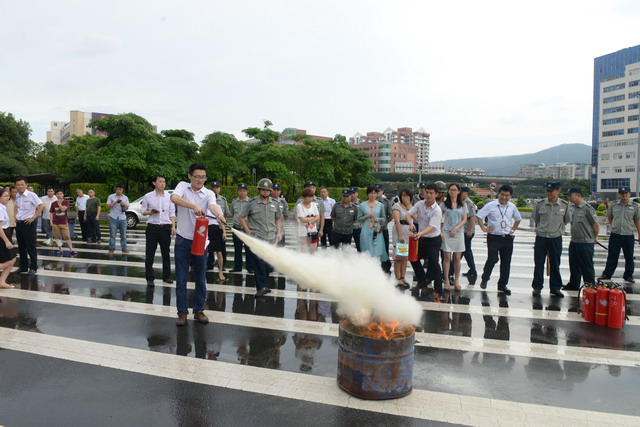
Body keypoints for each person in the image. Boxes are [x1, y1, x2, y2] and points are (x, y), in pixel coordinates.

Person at [171, 163, 226, 326]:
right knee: (181, 279)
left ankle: (199, 310)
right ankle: (182, 313)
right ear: (190, 176)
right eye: (197, 177)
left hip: (201, 241)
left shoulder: (208, 193)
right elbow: (174, 198)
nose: (200, 180)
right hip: (182, 240)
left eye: (203, 177)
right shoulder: (182, 186)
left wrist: (219, 215)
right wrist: (193, 206)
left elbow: (212, 205)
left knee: (201, 278)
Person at [238, 178, 283, 298]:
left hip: (271, 237)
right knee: (259, 263)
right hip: (257, 237)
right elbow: (241, 217)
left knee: (268, 264)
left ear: (270, 191)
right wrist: (248, 231)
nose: (265, 192)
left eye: (267, 190)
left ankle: (265, 286)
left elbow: (278, 219)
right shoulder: (251, 203)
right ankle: (261, 287)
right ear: (259, 190)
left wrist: (279, 232)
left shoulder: (275, 203)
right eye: (263, 190)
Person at [476, 184, 522, 295]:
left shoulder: (512, 206)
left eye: (507, 195)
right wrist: (484, 228)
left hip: (507, 238)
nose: (504, 197)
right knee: (492, 259)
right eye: (502, 194)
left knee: (506, 262)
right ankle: (485, 278)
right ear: (498, 194)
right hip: (493, 237)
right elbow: (479, 216)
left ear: (510, 196)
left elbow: (518, 219)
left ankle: (502, 284)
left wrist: (512, 230)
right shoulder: (491, 205)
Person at [531, 181, 571, 297]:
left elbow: (566, 220)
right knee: (539, 263)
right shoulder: (540, 204)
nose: (549, 193)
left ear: (558, 191)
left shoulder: (564, 205)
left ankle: (555, 287)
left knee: (555, 263)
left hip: (555, 238)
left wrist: (557, 229)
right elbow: (536, 219)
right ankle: (537, 287)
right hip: (541, 237)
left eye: (551, 191)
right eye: (547, 191)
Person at [406, 183, 443, 299]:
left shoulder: (437, 210)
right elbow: (408, 214)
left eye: (431, 193)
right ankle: (422, 281)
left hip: (433, 239)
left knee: (434, 263)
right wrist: (411, 224)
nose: (429, 195)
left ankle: (438, 289)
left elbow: (432, 227)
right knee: (413, 258)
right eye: (427, 192)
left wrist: (420, 233)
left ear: (436, 194)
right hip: (421, 239)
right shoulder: (419, 204)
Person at [600, 186, 640, 283]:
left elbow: (637, 221)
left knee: (629, 256)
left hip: (628, 235)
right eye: (622, 193)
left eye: (626, 193)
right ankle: (607, 274)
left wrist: (639, 234)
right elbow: (610, 217)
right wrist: (615, 226)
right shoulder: (613, 205)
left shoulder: (635, 206)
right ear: (619, 195)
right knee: (612, 255)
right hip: (615, 234)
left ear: (629, 194)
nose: (624, 195)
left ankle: (628, 275)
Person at [142, 175, 176, 287]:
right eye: (160, 181)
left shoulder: (169, 197)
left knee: (166, 253)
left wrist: (173, 226)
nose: (162, 184)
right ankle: (150, 278)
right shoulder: (148, 196)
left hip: (165, 227)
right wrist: (150, 212)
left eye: (164, 182)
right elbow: (143, 211)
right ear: (154, 183)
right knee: (150, 253)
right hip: (152, 227)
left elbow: (172, 213)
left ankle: (166, 276)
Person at [563, 187, 599, 291]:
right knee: (574, 265)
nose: (569, 198)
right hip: (574, 241)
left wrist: (594, 238)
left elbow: (596, 225)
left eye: (570, 195)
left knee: (586, 266)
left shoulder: (588, 208)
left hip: (585, 242)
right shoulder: (573, 208)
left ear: (578, 195)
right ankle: (574, 284)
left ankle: (590, 286)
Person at [440, 183, 468, 291]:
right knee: (447, 258)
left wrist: (456, 228)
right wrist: (440, 231)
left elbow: (464, 219)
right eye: (451, 189)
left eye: (455, 190)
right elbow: (439, 217)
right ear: (448, 191)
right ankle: (446, 280)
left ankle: (456, 280)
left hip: (458, 233)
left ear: (459, 192)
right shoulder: (444, 205)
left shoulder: (463, 205)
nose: (453, 192)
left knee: (457, 258)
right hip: (446, 232)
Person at [14, 177, 44, 275]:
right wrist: (15, 217)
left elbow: (42, 205)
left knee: (30, 246)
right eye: (18, 185)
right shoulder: (17, 195)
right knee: (21, 246)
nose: (20, 186)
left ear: (26, 185)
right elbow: (16, 206)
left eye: (22, 184)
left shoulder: (31, 195)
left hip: (28, 224)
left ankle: (33, 267)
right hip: (19, 223)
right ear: (15, 186)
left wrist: (34, 217)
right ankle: (23, 267)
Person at [357, 185, 389, 268]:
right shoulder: (362, 205)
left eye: (374, 193)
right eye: (370, 193)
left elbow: (384, 218)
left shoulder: (380, 205)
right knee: (366, 250)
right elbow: (359, 219)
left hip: (376, 230)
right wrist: (367, 216)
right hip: (366, 229)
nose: (372, 195)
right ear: (367, 194)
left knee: (377, 249)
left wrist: (379, 219)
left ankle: (376, 269)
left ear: (377, 194)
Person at [206, 181, 228, 280]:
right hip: (207, 230)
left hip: (216, 229)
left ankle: (220, 271)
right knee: (206, 252)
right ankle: (202, 270)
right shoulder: (204, 207)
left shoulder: (218, 207)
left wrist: (224, 232)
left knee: (219, 252)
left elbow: (222, 221)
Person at [392, 188, 413, 289]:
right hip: (399, 231)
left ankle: (403, 276)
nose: (406, 197)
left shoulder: (411, 207)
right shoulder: (397, 206)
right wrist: (400, 235)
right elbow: (397, 220)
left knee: (405, 257)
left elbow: (415, 216)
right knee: (399, 257)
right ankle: (398, 277)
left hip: (408, 232)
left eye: (407, 195)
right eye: (404, 195)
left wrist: (409, 206)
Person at [230, 184, 254, 273]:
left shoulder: (251, 202)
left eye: (244, 190)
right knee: (237, 249)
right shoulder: (234, 202)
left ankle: (250, 267)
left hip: (247, 229)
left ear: (247, 192)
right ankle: (237, 267)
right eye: (240, 190)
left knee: (249, 249)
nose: (242, 192)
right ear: (237, 191)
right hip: (236, 227)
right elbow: (232, 213)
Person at [50, 190, 77, 256]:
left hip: (64, 222)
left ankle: (71, 249)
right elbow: (51, 212)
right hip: (55, 223)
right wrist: (51, 221)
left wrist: (59, 203)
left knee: (67, 236)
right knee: (57, 237)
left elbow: (63, 209)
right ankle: (60, 249)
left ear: (63, 195)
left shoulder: (66, 202)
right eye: (58, 194)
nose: (59, 195)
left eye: (60, 194)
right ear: (56, 195)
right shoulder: (53, 203)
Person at [106, 183, 130, 255]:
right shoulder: (111, 196)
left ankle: (124, 248)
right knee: (112, 235)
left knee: (123, 235)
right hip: (113, 217)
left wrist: (123, 203)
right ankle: (111, 249)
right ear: (115, 189)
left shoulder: (125, 198)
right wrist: (115, 202)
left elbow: (127, 207)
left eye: (120, 189)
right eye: (117, 189)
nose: (118, 191)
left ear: (122, 190)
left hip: (123, 218)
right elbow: (107, 206)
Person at [461, 186, 478, 283]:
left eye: (462, 192)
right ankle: (472, 270)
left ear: (466, 193)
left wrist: (470, 230)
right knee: (465, 251)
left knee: (465, 251)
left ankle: (473, 270)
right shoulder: (462, 203)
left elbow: (472, 217)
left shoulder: (469, 203)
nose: (460, 194)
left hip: (467, 231)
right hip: (463, 231)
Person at [0, 189, 16, 288]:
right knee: (11, 259)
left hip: (4, 233)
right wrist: (6, 241)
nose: (8, 198)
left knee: (12, 259)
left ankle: (1, 282)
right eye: (5, 196)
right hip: (2, 235)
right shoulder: (0, 208)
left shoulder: (2, 207)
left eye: (8, 196)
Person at [375, 184, 393, 274]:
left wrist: (384, 223)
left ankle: (385, 269)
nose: (377, 193)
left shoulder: (386, 202)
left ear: (382, 191)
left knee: (384, 250)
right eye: (375, 191)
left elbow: (391, 215)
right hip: (371, 229)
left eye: (379, 191)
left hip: (383, 230)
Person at [296, 188, 320, 253]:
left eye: (311, 197)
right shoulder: (299, 206)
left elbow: (318, 217)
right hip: (303, 232)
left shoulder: (314, 205)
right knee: (304, 252)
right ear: (304, 197)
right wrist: (313, 218)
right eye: (308, 197)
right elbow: (302, 219)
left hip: (313, 231)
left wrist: (309, 222)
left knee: (313, 251)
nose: (310, 199)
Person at [350, 187, 362, 252]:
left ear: (357, 193)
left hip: (358, 227)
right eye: (351, 193)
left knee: (359, 246)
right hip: (347, 228)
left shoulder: (361, 203)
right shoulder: (346, 202)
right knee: (346, 246)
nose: (352, 194)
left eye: (354, 193)